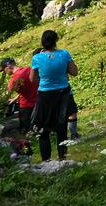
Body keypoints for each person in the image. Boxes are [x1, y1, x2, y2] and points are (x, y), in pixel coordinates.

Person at [29, 30, 78, 162]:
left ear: (42, 42)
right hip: (63, 94)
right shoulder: (64, 54)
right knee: (61, 128)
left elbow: (32, 79)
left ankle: (46, 161)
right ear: (56, 41)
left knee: (44, 129)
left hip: (45, 95)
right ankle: (63, 158)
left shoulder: (37, 58)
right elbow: (74, 72)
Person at [1, 57, 38, 155]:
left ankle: (27, 152)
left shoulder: (15, 78)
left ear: (8, 66)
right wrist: (16, 98)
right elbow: (29, 86)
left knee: (24, 131)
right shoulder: (28, 70)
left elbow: (7, 95)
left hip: (26, 105)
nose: (4, 72)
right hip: (38, 102)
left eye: (4, 69)